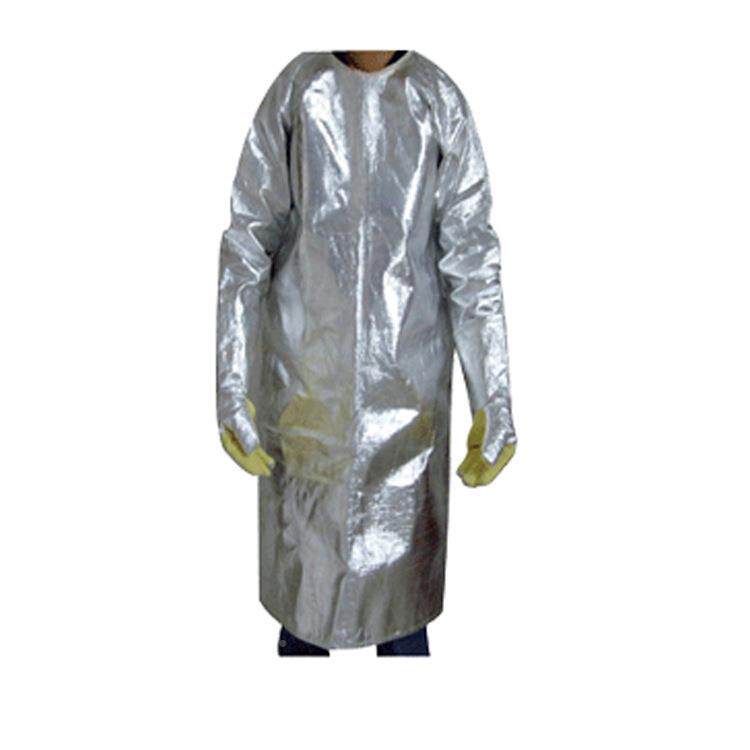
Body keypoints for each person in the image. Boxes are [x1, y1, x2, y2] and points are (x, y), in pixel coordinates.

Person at [216, 50, 517, 656]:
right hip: (307, 410)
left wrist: (494, 398)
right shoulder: (298, 93)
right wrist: (232, 383)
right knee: (306, 613)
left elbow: (471, 262)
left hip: (408, 419)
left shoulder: (436, 101)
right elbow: (247, 244)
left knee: (400, 619)